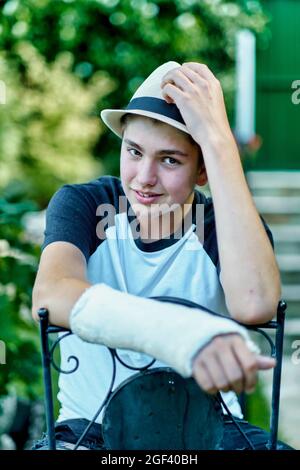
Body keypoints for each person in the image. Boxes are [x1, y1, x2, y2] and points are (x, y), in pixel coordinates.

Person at [31, 61, 292, 450]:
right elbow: (52, 294)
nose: (144, 177)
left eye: (170, 160)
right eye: (134, 151)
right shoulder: (86, 204)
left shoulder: (226, 226)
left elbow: (256, 303)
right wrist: (182, 334)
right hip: (91, 432)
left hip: (214, 431)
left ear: (203, 170)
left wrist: (219, 143)